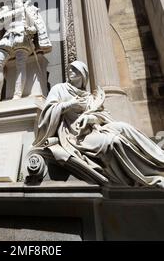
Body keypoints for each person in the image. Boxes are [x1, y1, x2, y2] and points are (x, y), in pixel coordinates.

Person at [33, 61, 164, 188]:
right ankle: (147, 175)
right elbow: (48, 111)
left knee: (125, 127)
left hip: (95, 129)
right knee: (114, 141)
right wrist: (69, 105)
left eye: (74, 69)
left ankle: (159, 158)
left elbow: (104, 116)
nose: (70, 71)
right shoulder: (59, 89)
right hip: (75, 136)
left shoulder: (89, 97)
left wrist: (90, 118)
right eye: (69, 69)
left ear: (83, 75)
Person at [0, 0, 52, 102]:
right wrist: (16, 11)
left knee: (20, 64)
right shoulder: (5, 10)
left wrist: (31, 29)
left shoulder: (29, 8)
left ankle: (17, 94)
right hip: (7, 37)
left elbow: (35, 25)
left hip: (22, 37)